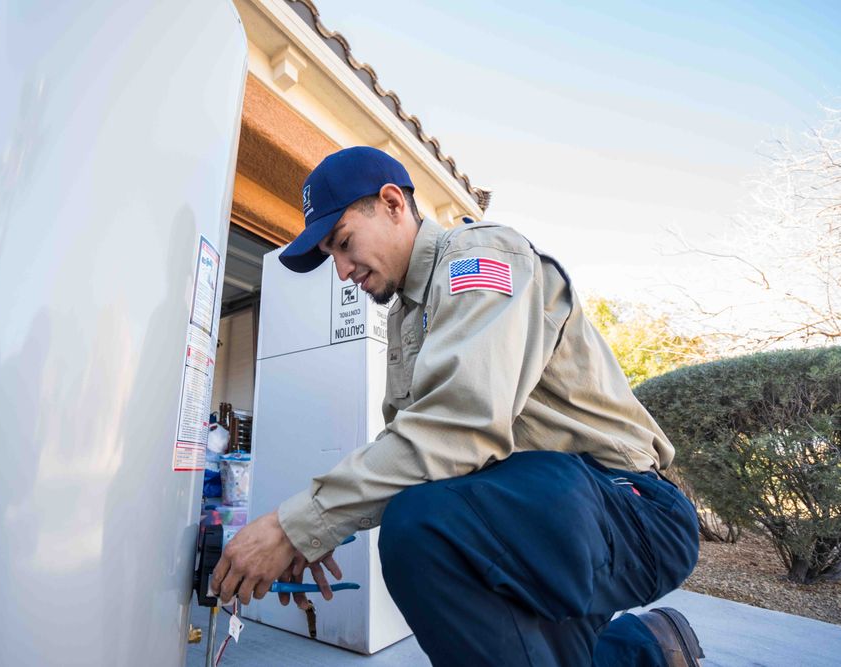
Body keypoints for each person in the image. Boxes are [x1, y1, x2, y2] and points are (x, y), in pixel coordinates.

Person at [210, 146, 704, 666]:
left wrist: (296, 526)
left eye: (345, 243)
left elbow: (458, 429)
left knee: (419, 527)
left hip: (630, 509)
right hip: (545, 513)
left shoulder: (479, 257)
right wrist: (318, 533)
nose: (341, 271)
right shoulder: (407, 319)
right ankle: (650, 650)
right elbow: (414, 459)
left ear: (393, 203)